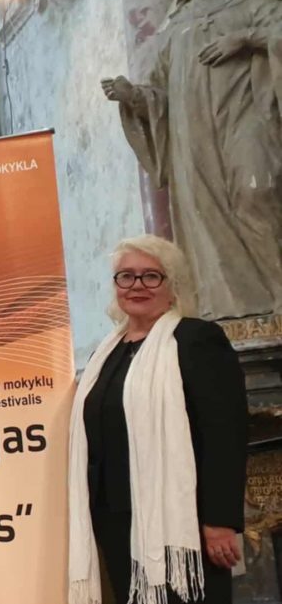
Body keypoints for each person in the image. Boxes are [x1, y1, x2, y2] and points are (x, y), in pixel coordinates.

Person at [68, 235, 247, 604]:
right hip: (116, 519)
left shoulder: (196, 339)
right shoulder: (107, 352)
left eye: (151, 276)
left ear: (172, 284)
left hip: (183, 521)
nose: (137, 286)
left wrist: (220, 521)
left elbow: (224, 434)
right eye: (126, 276)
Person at [101, 0, 282, 320]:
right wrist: (132, 96)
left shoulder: (251, 1)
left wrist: (246, 38)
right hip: (193, 139)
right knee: (206, 215)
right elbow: (159, 94)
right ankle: (234, 308)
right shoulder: (177, 24)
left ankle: (278, 288)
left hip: (245, 118)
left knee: (256, 191)